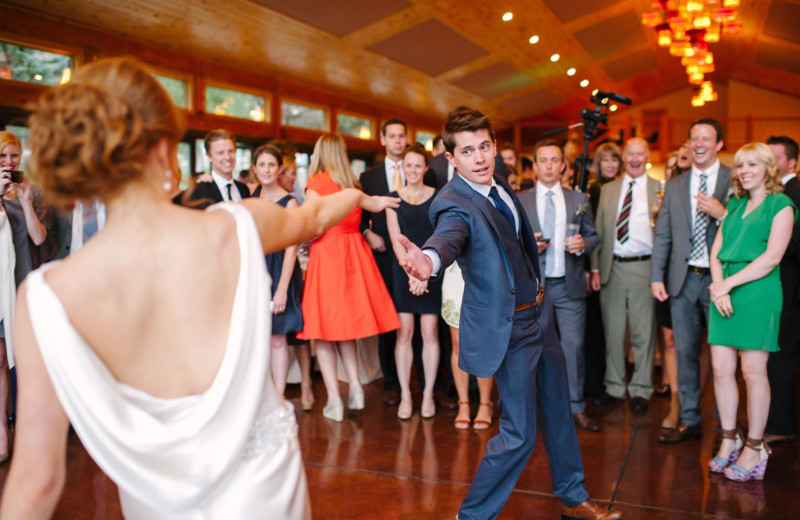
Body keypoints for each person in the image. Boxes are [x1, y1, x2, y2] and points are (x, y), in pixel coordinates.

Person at [0, 57, 399, 519]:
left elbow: (37, 480)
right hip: (266, 498)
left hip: (157, 506)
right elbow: (317, 215)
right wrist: (361, 197)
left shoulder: (46, 298)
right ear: (166, 149)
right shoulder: (236, 227)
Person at [398, 107, 622, 520]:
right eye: (468, 151)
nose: (480, 157)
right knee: (519, 434)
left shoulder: (499, 183)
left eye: (485, 146)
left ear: (495, 146)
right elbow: (448, 238)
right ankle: (472, 517)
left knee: (559, 413)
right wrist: (428, 260)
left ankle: (573, 497)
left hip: (541, 314)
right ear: (451, 159)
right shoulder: (452, 203)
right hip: (511, 329)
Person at [706, 142, 795, 481]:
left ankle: (755, 446)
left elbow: (772, 257)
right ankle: (730, 439)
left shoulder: (781, 205)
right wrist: (718, 287)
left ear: (768, 168)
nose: (743, 171)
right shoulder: (735, 203)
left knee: (753, 373)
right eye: (740, 166)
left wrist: (727, 285)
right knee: (720, 369)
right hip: (724, 291)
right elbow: (716, 251)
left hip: (758, 291)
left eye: (752, 165)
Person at [298, 133, 401, 422]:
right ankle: (354, 382)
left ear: (320, 153)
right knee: (345, 329)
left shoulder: (316, 184)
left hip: (327, 255)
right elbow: (369, 211)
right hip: (354, 253)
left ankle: (334, 399)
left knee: (323, 331)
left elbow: (314, 225)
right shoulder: (352, 185)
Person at [651, 118, 732, 444]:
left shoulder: (733, 179)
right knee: (684, 351)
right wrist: (657, 276)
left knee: (722, 354)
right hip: (681, 282)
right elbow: (664, 236)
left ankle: (724, 424)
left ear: (719, 144)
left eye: (706, 139)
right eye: (694, 138)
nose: (699, 144)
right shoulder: (675, 185)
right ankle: (689, 419)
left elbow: (745, 228)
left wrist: (722, 212)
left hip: (720, 281)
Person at [518, 139, 601, 432]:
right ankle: (536, 409)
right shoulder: (520, 200)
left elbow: (593, 236)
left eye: (555, 160)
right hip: (533, 288)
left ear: (563, 165)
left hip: (569, 284)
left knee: (573, 347)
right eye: (544, 160)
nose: (550, 165)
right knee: (533, 348)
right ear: (535, 166)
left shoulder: (578, 200)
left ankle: (576, 407)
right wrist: (529, 246)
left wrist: (582, 243)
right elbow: (509, 242)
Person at [591, 137, 660, 414]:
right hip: (613, 267)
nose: (633, 158)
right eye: (629, 154)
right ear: (623, 158)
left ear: (647, 156)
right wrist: (595, 268)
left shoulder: (659, 188)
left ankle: (642, 388)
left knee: (643, 333)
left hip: (645, 266)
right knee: (614, 331)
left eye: (639, 154)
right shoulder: (609, 189)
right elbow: (598, 231)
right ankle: (614, 386)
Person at [0, 130, 50, 463]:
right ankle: (3, 430)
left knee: (18, 359)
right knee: (0, 359)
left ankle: (21, 427)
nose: (8, 163)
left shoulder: (33, 191)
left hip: (21, 283)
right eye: (2, 157)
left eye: (13, 156)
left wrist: (27, 202)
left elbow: (38, 238)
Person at [386, 144, 441, 419]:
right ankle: (406, 396)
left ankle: (428, 394)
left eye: (418, 165)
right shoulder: (393, 199)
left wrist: (424, 273)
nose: (413, 170)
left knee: (430, 333)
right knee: (404, 333)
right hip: (405, 272)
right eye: (409, 165)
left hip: (430, 271)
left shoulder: (438, 197)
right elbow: (397, 243)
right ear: (403, 168)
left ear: (426, 168)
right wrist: (411, 273)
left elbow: (440, 238)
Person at [360, 118, 409, 407]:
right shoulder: (370, 177)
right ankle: (391, 382)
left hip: (414, 252)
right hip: (383, 255)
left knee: (416, 317)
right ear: (383, 140)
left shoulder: (419, 170)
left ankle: (427, 381)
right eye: (392, 136)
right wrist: (368, 234)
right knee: (388, 319)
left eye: (401, 136)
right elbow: (357, 216)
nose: (398, 141)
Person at [251, 145, 305, 400]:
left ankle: (279, 397)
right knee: (258, 338)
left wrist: (282, 288)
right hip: (255, 269)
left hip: (280, 269)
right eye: (261, 165)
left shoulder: (290, 202)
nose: (266, 170)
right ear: (255, 168)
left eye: (271, 165)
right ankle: (261, 395)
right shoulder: (251, 197)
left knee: (277, 338)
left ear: (278, 169)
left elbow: (291, 249)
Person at [763, 135, 800, 444]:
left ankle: (782, 425)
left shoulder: (793, 195)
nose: (770, 164)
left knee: (781, 357)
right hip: (776, 287)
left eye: (775, 158)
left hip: (789, 288)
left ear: (791, 162)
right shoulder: (774, 194)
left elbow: (793, 245)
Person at [173, 129, 251, 208]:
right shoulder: (198, 190)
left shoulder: (244, 189)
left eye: (231, 151)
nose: (227, 157)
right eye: (220, 153)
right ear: (209, 156)